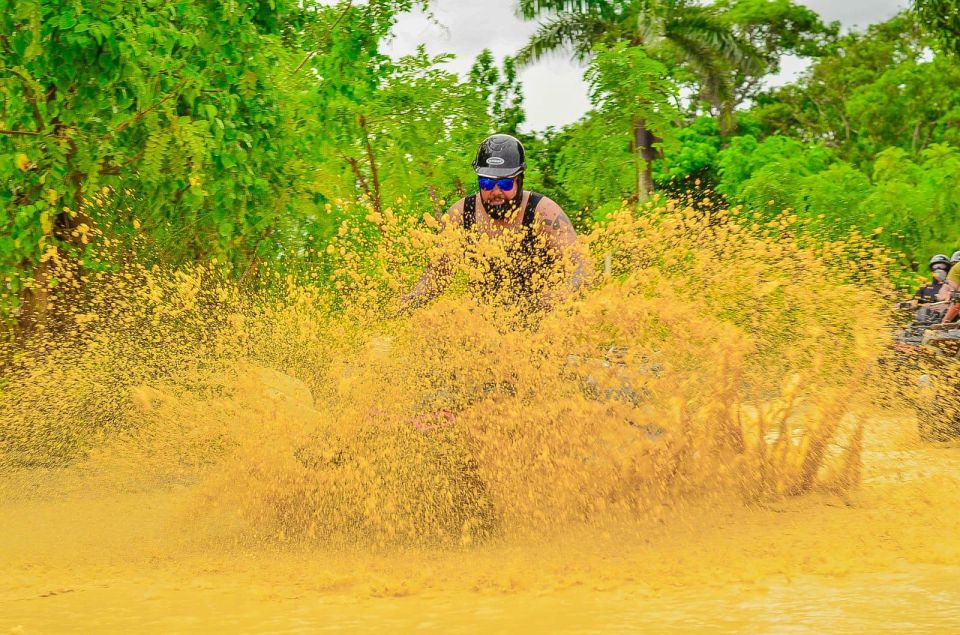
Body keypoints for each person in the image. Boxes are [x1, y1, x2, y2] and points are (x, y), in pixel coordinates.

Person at [400, 133, 589, 314]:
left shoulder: (543, 213)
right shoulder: (462, 215)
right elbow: (438, 276)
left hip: (542, 320)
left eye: (505, 184)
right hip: (487, 322)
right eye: (487, 184)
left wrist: (561, 295)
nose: (496, 192)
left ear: (519, 180)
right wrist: (411, 301)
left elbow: (582, 267)